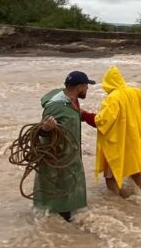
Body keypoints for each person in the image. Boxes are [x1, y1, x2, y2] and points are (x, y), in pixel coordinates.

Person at [35, 70, 97, 222]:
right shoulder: (55, 106)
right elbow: (41, 132)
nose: (88, 89)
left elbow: (74, 113)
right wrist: (46, 129)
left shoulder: (71, 99)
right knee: (59, 197)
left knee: (70, 192)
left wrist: (91, 118)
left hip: (70, 156)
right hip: (58, 158)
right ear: (80, 87)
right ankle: (58, 229)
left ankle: (67, 225)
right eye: (86, 86)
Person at [95, 65, 141, 197]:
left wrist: (86, 116)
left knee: (111, 174)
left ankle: (116, 200)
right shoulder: (137, 92)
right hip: (135, 139)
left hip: (117, 142)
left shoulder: (113, 98)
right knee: (135, 169)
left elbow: (103, 121)